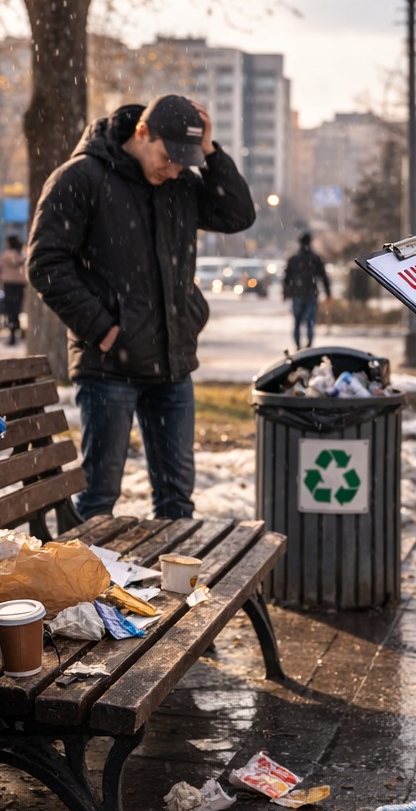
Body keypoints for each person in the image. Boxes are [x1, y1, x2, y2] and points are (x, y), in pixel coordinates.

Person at [28, 94, 255, 519]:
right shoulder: (81, 177)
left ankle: (173, 587)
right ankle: (86, 585)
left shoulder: (180, 183)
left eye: (182, 162)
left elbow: (238, 215)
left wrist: (208, 151)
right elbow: (45, 264)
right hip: (109, 366)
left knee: (176, 501)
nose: (172, 170)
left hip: (173, 364)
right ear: (142, 133)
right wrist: (104, 330)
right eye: (168, 157)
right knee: (98, 498)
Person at [282, 230, 331, 348]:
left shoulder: (293, 259)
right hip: (311, 293)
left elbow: (287, 278)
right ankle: (309, 344)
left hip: (297, 293)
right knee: (310, 321)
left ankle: (298, 344)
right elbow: (323, 277)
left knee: (297, 321)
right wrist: (328, 292)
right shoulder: (315, 258)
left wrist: (285, 292)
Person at [0, 234, 28, 345]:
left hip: (10, 285)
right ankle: (15, 329)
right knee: (15, 310)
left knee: (11, 311)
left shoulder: (7, 254)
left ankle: (13, 332)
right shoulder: (21, 255)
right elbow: (18, 261)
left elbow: (3, 265)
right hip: (18, 285)